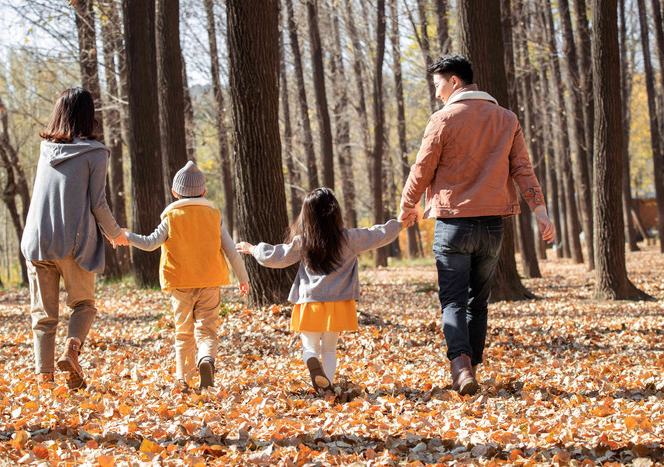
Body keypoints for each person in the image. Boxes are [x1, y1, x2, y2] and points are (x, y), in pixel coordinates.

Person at [399, 55, 555, 396]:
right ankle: (472, 369)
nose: (437, 93)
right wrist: (540, 210)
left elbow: (422, 168)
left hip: (454, 225)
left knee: (453, 301)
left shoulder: (442, 120)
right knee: (478, 301)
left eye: (439, 85)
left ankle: (460, 366)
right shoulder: (506, 118)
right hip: (493, 228)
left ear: (455, 81)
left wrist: (407, 205)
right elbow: (523, 169)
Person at [237, 188, 408, 392]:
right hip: (338, 304)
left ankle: (313, 366)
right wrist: (400, 223)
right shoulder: (348, 239)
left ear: (307, 217)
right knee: (329, 349)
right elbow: (377, 234)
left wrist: (253, 248)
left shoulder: (304, 241)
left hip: (311, 303)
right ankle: (326, 385)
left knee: (310, 348)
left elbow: (278, 256)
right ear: (335, 213)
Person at [21, 88, 129, 389]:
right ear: (88, 115)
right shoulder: (95, 153)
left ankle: (45, 380)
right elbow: (98, 203)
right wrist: (116, 234)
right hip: (73, 242)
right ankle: (71, 351)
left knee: (43, 317)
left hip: (36, 243)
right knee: (84, 304)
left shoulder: (45, 150)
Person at [121, 161, 249, 392]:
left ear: (174, 192)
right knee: (207, 329)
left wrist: (127, 236)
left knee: (183, 332)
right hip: (210, 282)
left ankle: (184, 380)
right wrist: (243, 278)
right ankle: (206, 360)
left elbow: (150, 243)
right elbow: (231, 250)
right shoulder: (213, 216)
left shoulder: (171, 218)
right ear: (204, 192)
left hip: (180, 284)